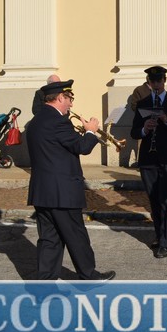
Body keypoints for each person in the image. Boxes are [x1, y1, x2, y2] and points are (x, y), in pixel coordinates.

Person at [26, 79, 115, 281]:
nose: (71, 104)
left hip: (43, 191)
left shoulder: (36, 120)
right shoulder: (58, 121)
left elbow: (60, 146)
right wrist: (91, 131)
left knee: (49, 239)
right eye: (69, 99)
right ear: (60, 98)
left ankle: (45, 283)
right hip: (62, 192)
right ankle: (88, 275)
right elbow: (81, 147)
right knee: (76, 235)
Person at [131, 66, 167, 258]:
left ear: (164, 81)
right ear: (149, 82)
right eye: (153, 82)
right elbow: (134, 132)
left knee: (166, 201)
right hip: (148, 159)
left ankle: (165, 241)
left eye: (159, 81)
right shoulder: (143, 103)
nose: (156, 85)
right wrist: (144, 129)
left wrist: (166, 120)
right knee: (154, 200)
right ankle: (159, 234)